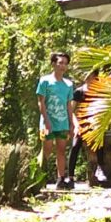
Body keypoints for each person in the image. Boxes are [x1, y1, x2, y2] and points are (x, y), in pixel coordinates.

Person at [36, 52, 75, 189]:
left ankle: (61, 178)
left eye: (65, 63)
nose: (62, 66)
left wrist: (71, 123)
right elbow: (41, 102)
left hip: (62, 122)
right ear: (53, 64)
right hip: (48, 122)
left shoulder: (69, 85)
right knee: (46, 149)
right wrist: (46, 121)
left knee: (61, 150)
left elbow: (69, 105)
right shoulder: (45, 81)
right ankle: (38, 176)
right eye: (60, 63)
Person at [66, 73, 107, 187]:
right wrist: (76, 125)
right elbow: (72, 111)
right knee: (75, 146)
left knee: (99, 141)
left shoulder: (99, 93)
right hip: (81, 123)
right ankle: (70, 177)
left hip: (95, 123)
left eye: (93, 77)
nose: (91, 80)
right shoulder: (79, 92)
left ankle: (100, 168)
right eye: (89, 77)